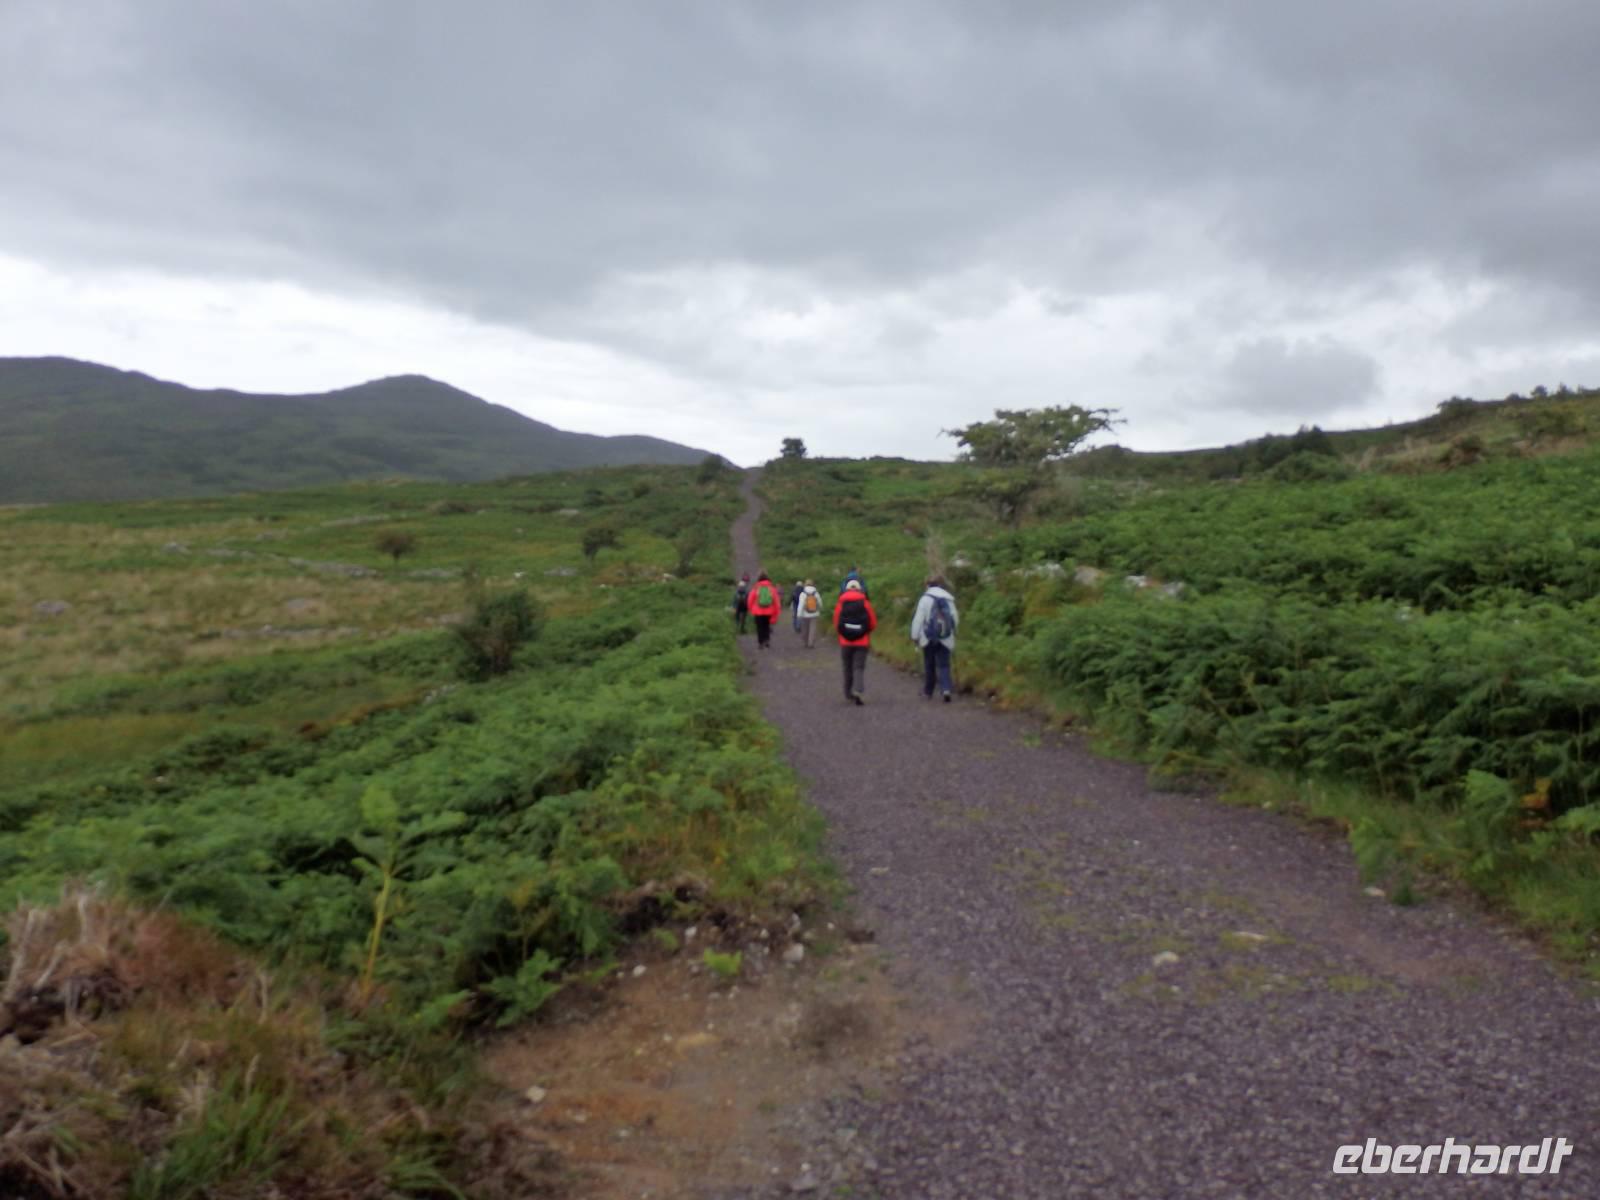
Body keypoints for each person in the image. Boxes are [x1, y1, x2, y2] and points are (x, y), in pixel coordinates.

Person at [911, 574, 960, 702]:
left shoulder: (925, 599)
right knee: (944, 664)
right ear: (941, 584)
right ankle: (946, 689)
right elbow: (954, 617)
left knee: (929, 664)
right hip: (946, 637)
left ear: (927, 585)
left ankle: (928, 692)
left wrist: (915, 636)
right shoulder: (948, 598)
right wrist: (954, 631)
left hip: (928, 637)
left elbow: (918, 619)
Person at [833, 578, 878, 704]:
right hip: (862, 642)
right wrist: (865, 632)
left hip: (845, 642)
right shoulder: (865, 603)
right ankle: (858, 691)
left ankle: (848, 693)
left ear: (846, 589)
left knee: (847, 667)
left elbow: (836, 622)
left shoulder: (841, 603)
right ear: (859, 589)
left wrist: (843, 634)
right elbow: (873, 622)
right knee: (858, 667)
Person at [747, 571, 783, 650]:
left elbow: (750, 600)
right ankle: (767, 640)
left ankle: (761, 642)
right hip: (769, 611)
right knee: (766, 626)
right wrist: (777, 612)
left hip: (758, 611)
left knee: (759, 627)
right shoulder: (771, 588)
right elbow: (776, 601)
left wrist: (750, 609)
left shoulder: (756, 588)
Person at [795, 578, 823, 648]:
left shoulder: (803, 593)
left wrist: (799, 614)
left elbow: (801, 605)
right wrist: (820, 609)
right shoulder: (816, 593)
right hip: (815, 613)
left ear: (805, 584)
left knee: (805, 629)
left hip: (805, 614)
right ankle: (811, 643)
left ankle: (805, 642)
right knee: (813, 629)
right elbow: (820, 603)